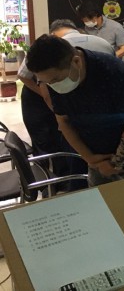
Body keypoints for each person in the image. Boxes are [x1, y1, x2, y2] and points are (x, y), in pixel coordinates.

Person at [25, 34, 124, 186]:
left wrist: (115, 164)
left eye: (55, 80)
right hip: (97, 156)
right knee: (100, 197)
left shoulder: (114, 71)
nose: (52, 85)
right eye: (46, 82)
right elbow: (63, 122)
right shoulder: (53, 80)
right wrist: (89, 158)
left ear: (76, 61)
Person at [18, 19, 116, 190]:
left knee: (64, 149)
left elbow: (26, 78)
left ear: (53, 35)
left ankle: (58, 186)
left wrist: (58, 114)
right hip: (101, 116)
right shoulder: (103, 44)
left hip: (71, 116)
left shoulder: (50, 50)